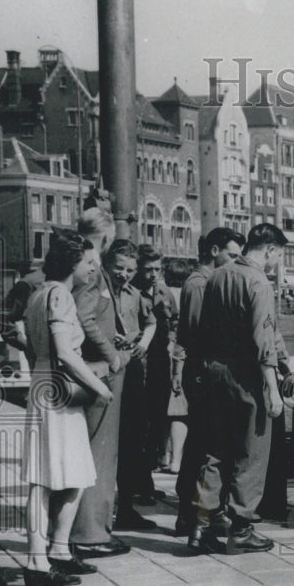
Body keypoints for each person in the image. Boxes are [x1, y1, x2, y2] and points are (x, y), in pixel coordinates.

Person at [189, 223, 290, 555]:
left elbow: (202, 328)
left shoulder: (218, 275)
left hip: (215, 371)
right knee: (251, 451)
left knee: (215, 449)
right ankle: (242, 527)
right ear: (271, 250)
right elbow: (264, 341)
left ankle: (201, 525)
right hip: (246, 375)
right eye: (278, 256)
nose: (276, 263)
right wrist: (273, 390)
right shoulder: (259, 282)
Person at [22, 233, 111, 586]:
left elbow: (33, 347)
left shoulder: (37, 294)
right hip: (61, 391)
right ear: (72, 263)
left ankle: (55, 551)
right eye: (88, 262)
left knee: (58, 474)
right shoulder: (61, 295)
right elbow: (66, 351)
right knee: (51, 478)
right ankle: (37, 561)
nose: (92, 268)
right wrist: (98, 385)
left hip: (43, 384)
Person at [172, 228, 245, 535]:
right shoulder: (201, 283)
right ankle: (192, 514)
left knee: (202, 443)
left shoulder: (207, 281)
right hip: (202, 372)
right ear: (214, 251)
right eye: (231, 255)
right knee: (204, 445)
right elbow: (196, 332)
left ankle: (192, 514)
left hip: (202, 370)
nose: (235, 262)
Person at [69, 209, 132, 559]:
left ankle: (86, 528)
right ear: (106, 236)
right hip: (101, 372)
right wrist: (112, 354)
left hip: (91, 367)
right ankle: (91, 533)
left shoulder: (80, 261)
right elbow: (84, 315)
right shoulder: (92, 267)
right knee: (101, 455)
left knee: (93, 452)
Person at [103, 239, 158, 530]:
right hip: (107, 368)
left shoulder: (134, 294)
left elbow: (151, 322)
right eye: (119, 268)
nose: (124, 274)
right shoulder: (97, 292)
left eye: (130, 269)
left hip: (132, 368)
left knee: (132, 439)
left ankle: (125, 507)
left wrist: (143, 344)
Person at [132, 246, 181, 486]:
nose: (153, 274)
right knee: (139, 423)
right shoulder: (131, 292)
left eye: (157, 269)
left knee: (158, 420)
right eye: (148, 269)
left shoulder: (165, 292)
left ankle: (147, 479)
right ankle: (140, 482)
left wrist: (172, 343)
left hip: (161, 363)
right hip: (138, 363)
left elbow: (174, 321)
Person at [0, 261, 46, 355]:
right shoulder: (30, 283)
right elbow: (1, 315)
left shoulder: (75, 280)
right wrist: (25, 344)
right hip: (45, 360)